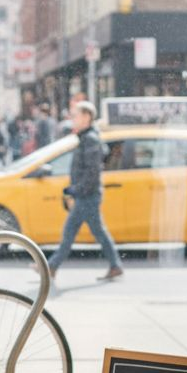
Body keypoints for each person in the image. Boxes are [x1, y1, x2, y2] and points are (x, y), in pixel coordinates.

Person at [46, 100, 124, 282]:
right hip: (86, 194)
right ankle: (115, 265)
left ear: (87, 117)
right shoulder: (86, 137)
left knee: (71, 232)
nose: (73, 119)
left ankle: (51, 266)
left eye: (76, 115)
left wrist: (76, 190)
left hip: (87, 195)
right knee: (94, 231)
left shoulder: (90, 139)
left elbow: (92, 172)